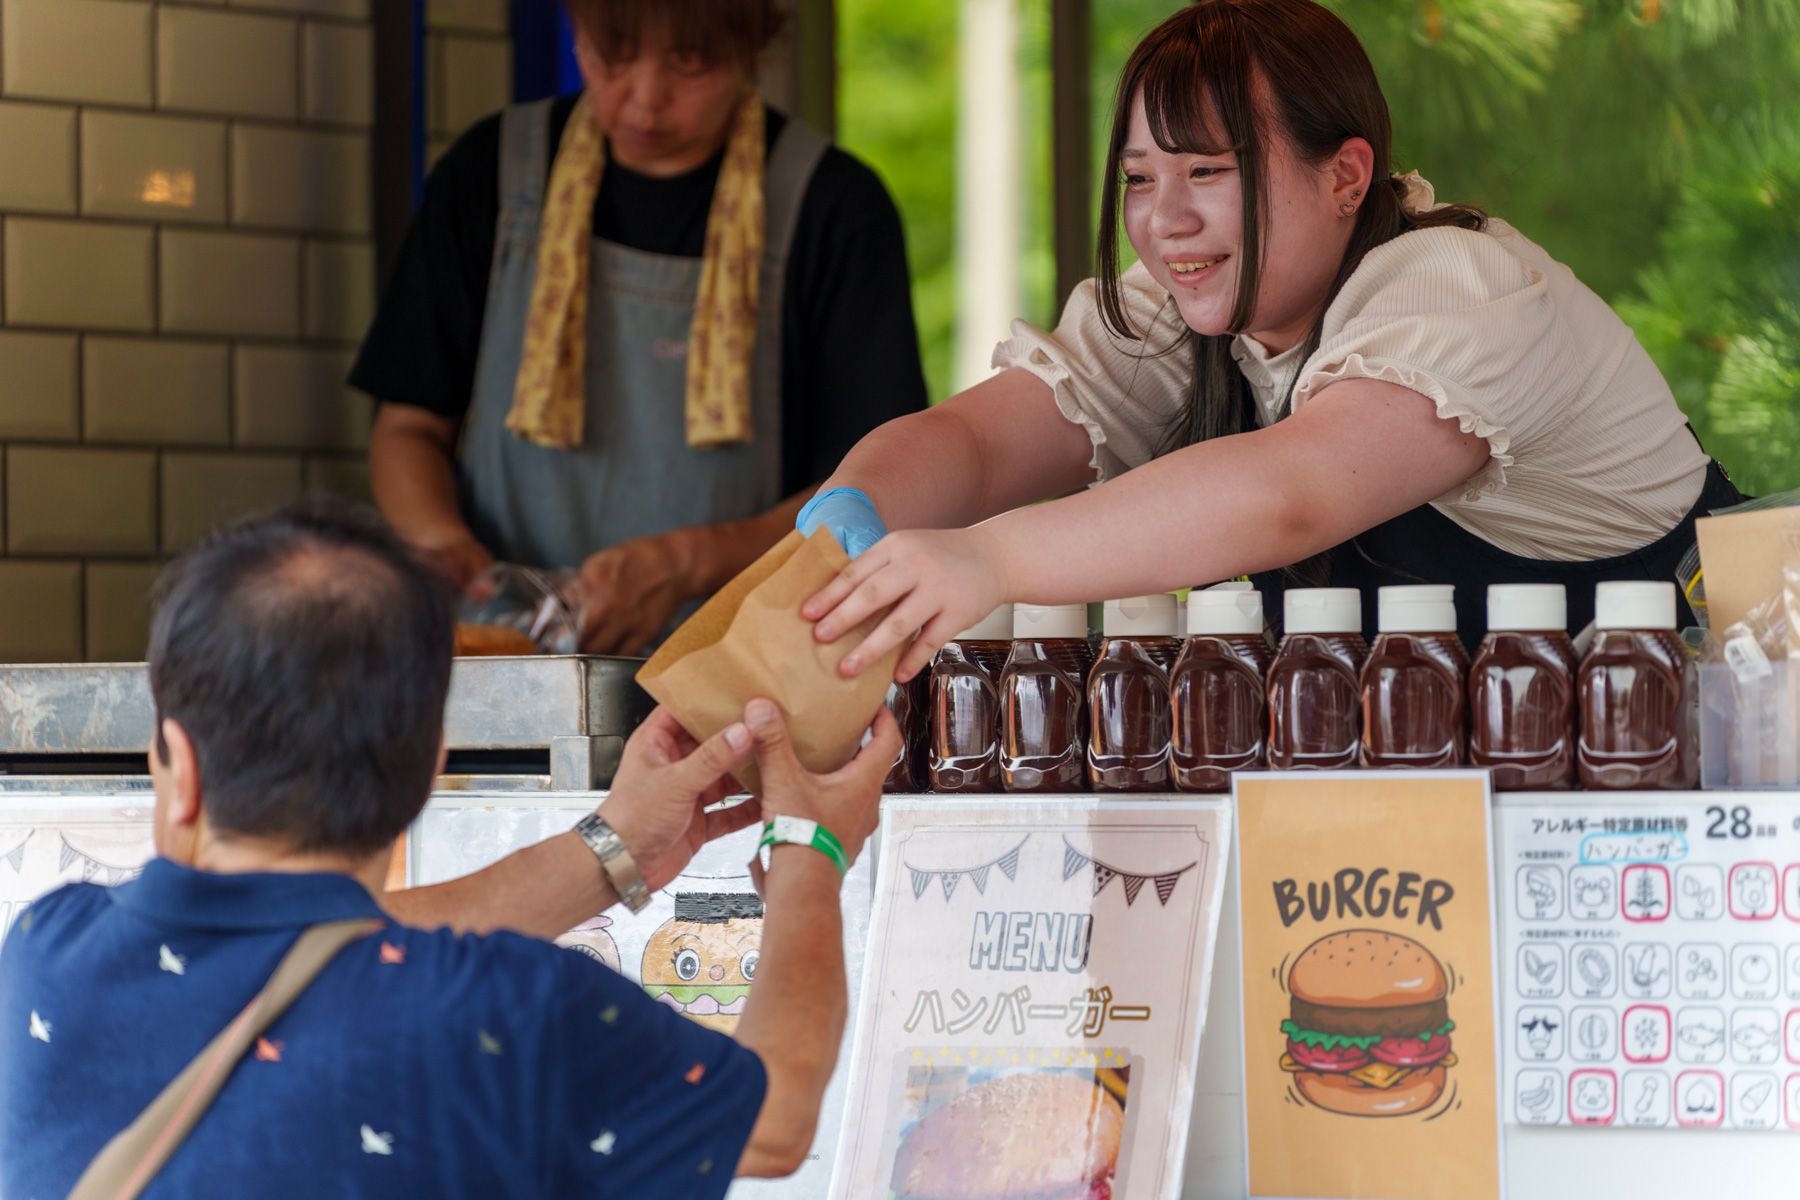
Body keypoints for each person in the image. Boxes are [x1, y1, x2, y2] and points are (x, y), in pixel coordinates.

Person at [795, 0, 1745, 678]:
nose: (1163, 220)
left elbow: (1291, 493)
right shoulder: (1191, 300)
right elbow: (980, 438)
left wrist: (986, 562)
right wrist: (855, 513)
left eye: (1207, 169)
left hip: (1679, 764)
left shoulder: (1456, 288)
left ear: (1346, 176)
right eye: (1137, 179)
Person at [0, 501, 895, 1198]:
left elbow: (305, 945)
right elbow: (775, 1117)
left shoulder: (46, 955)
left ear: (179, 767)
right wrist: (810, 847)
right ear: (428, 768)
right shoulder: (517, 1011)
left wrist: (616, 848)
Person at [355, 0, 927, 654]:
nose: (646, 99)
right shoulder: (490, 177)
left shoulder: (832, 207)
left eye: (691, 61)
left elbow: (871, 492)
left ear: (755, 46)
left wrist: (687, 562)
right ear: (576, 31)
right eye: (614, 55)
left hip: (737, 666)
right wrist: (444, 545)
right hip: (511, 655)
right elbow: (407, 429)